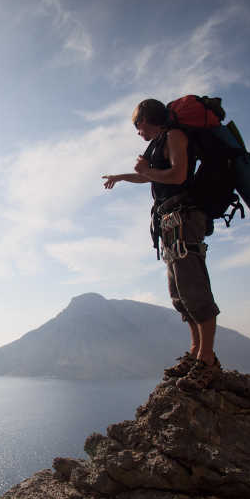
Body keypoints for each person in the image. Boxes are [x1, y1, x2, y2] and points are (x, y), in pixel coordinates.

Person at [102, 99, 221, 390]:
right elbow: (150, 176)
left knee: (194, 287)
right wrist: (122, 177)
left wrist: (145, 171)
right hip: (169, 221)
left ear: (146, 119)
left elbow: (179, 175)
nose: (137, 132)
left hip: (184, 216)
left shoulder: (175, 137)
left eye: (137, 125)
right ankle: (195, 351)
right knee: (179, 292)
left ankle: (207, 359)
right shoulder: (157, 144)